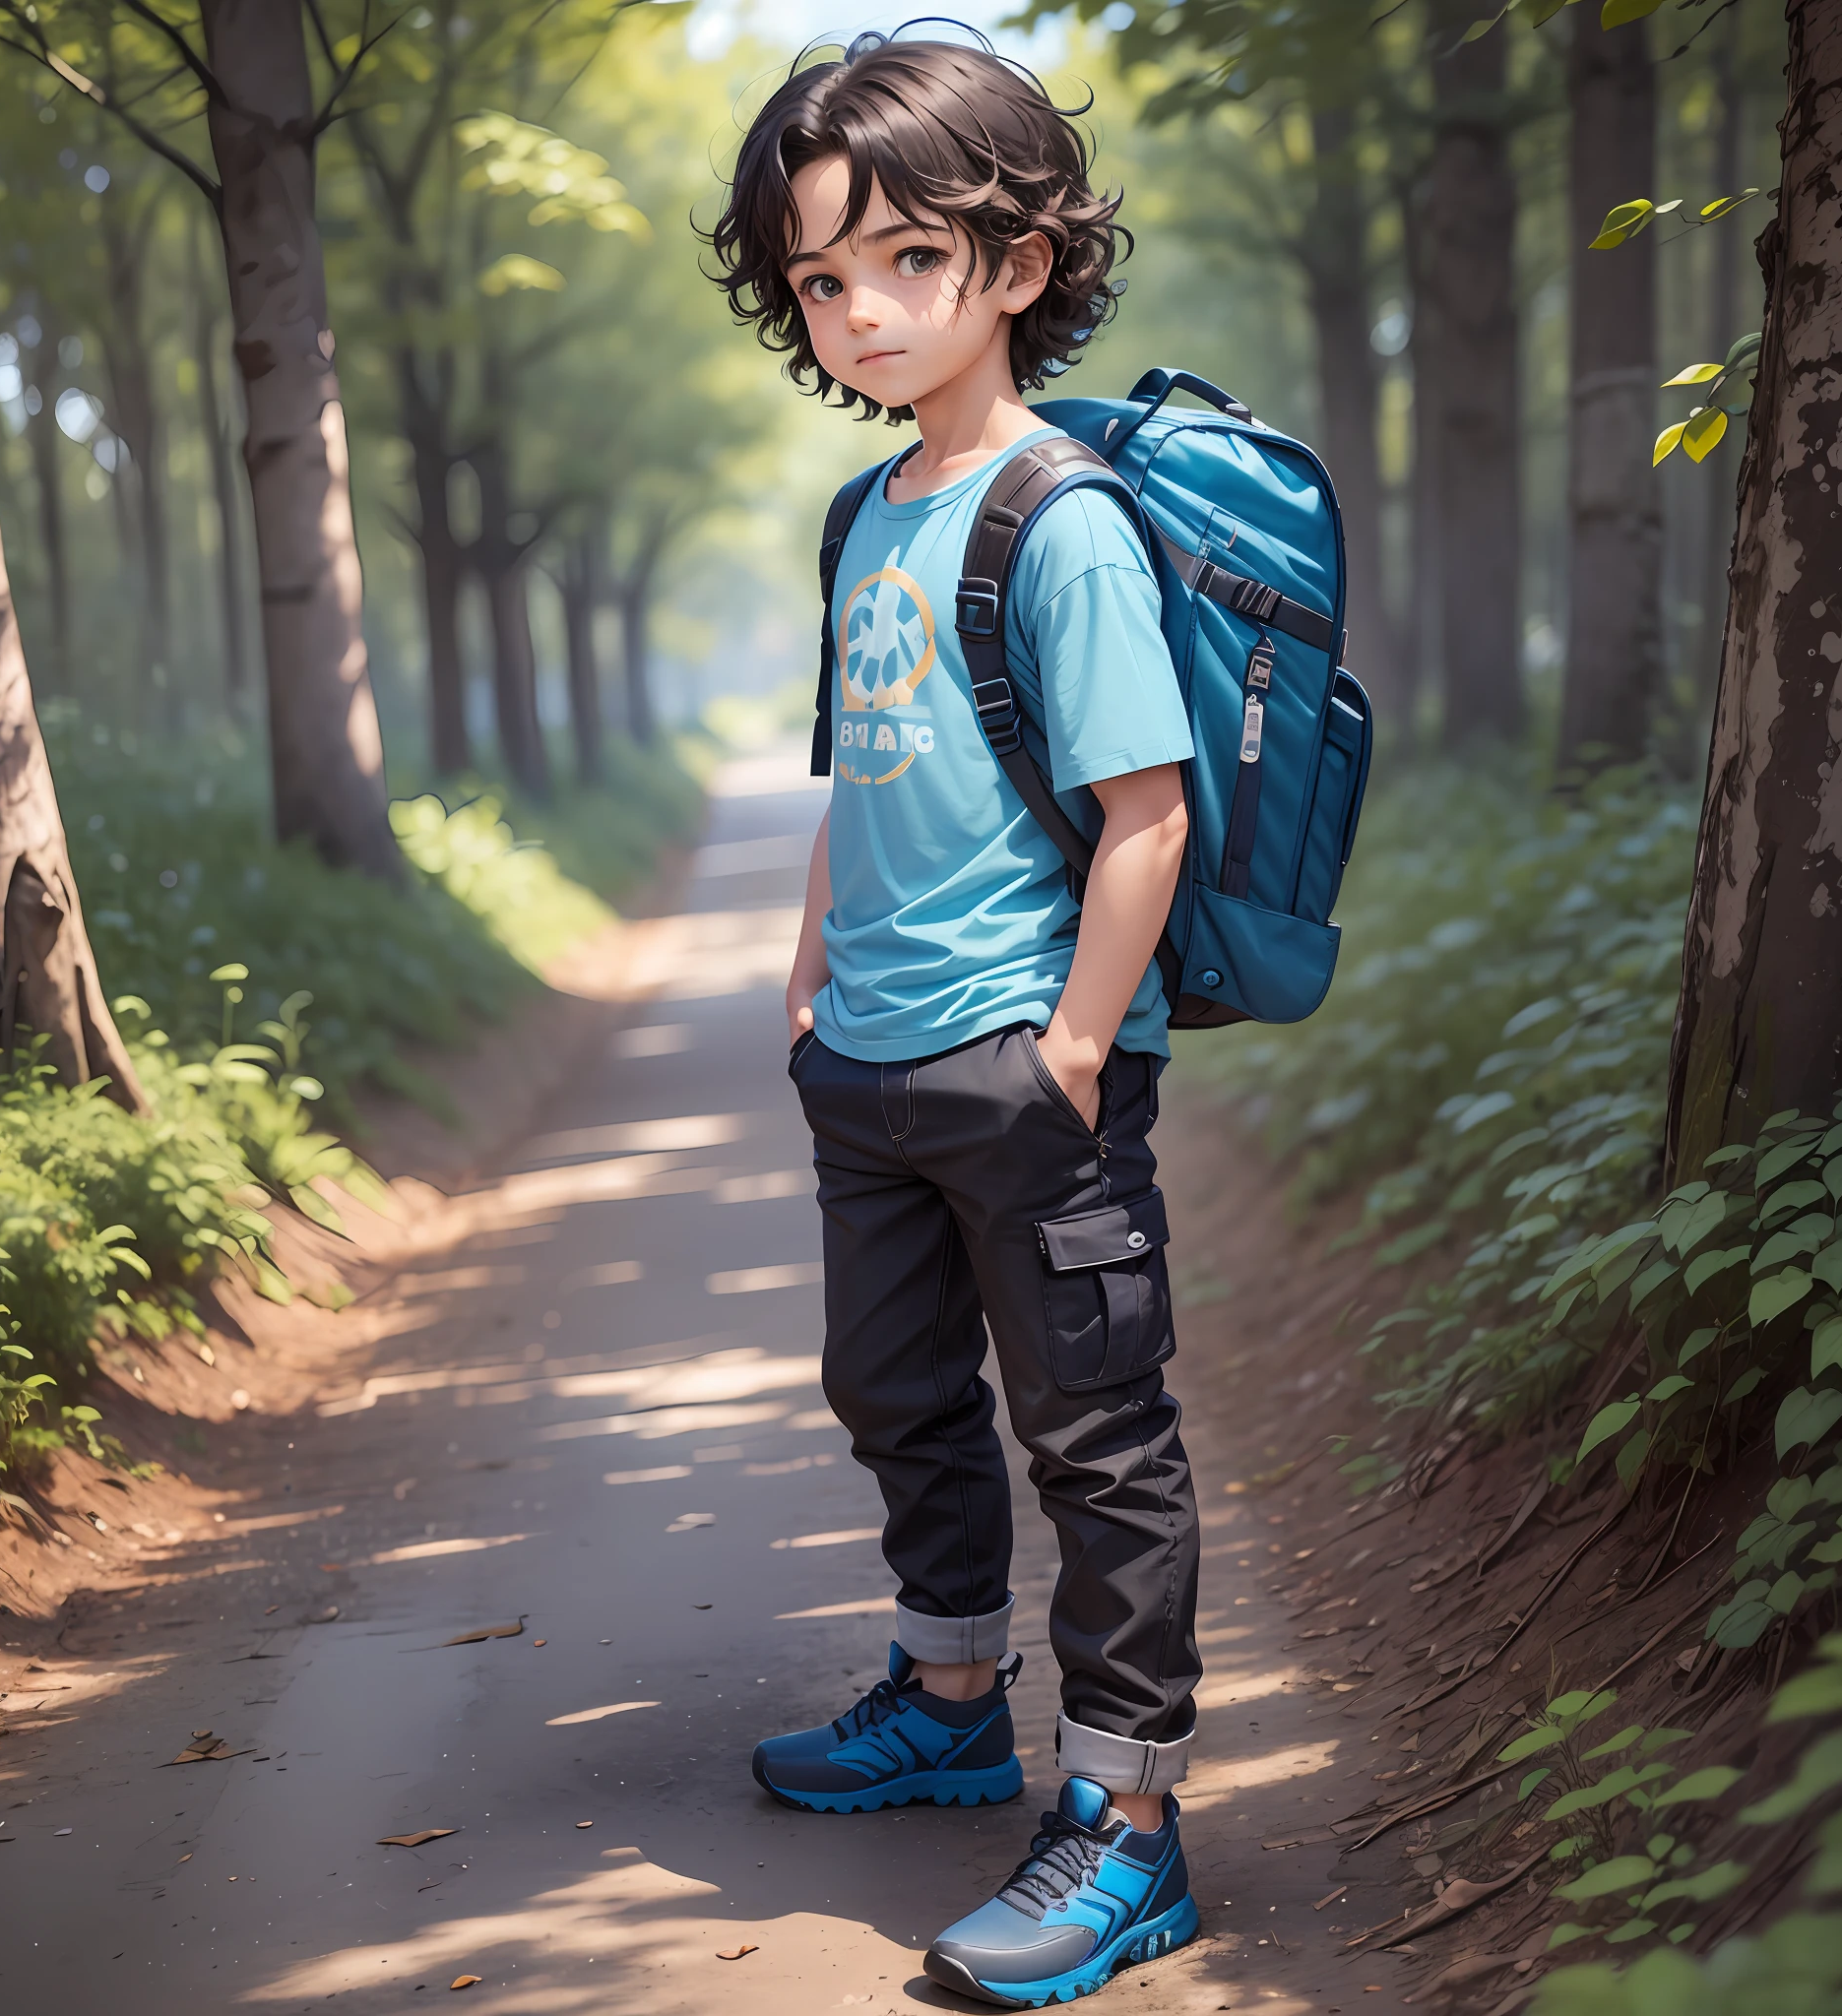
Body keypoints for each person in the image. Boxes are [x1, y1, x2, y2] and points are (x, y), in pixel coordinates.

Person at [705, 29, 1204, 2008]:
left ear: (1014, 263)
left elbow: (1143, 814)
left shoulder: (1055, 514)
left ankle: (1129, 1822)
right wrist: (817, 960)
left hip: (1022, 1057)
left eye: (903, 261)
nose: (860, 311)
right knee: (893, 1390)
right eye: (821, 280)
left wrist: (1074, 1047)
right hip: (871, 1064)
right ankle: (941, 1693)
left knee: (1094, 1436)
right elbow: (863, 763)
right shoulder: (863, 515)